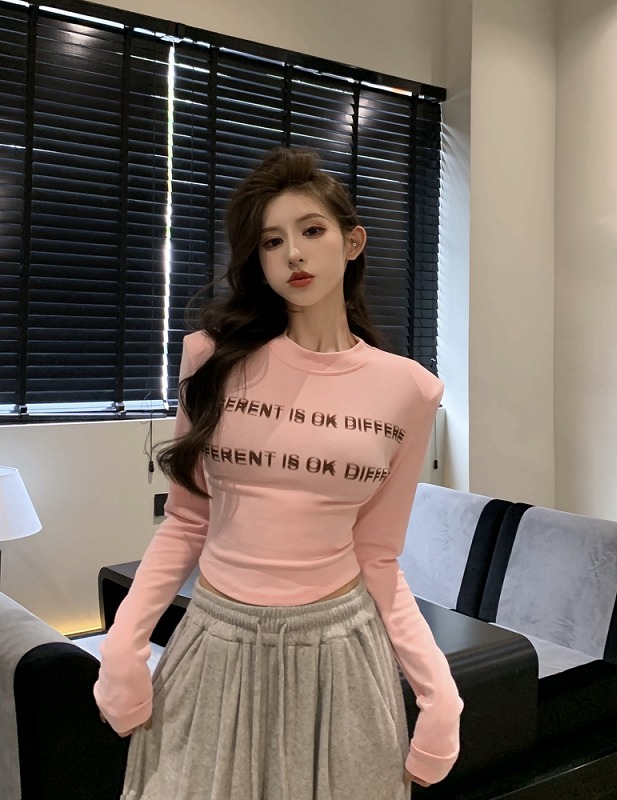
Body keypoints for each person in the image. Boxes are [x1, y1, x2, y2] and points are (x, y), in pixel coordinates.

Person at [94, 147, 463, 800]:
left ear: (352, 242)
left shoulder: (409, 390)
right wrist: (124, 644)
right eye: (272, 241)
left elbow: (378, 555)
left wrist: (440, 694)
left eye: (311, 230)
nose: (293, 253)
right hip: (215, 641)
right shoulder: (211, 359)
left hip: (341, 655)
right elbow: (187, 522)